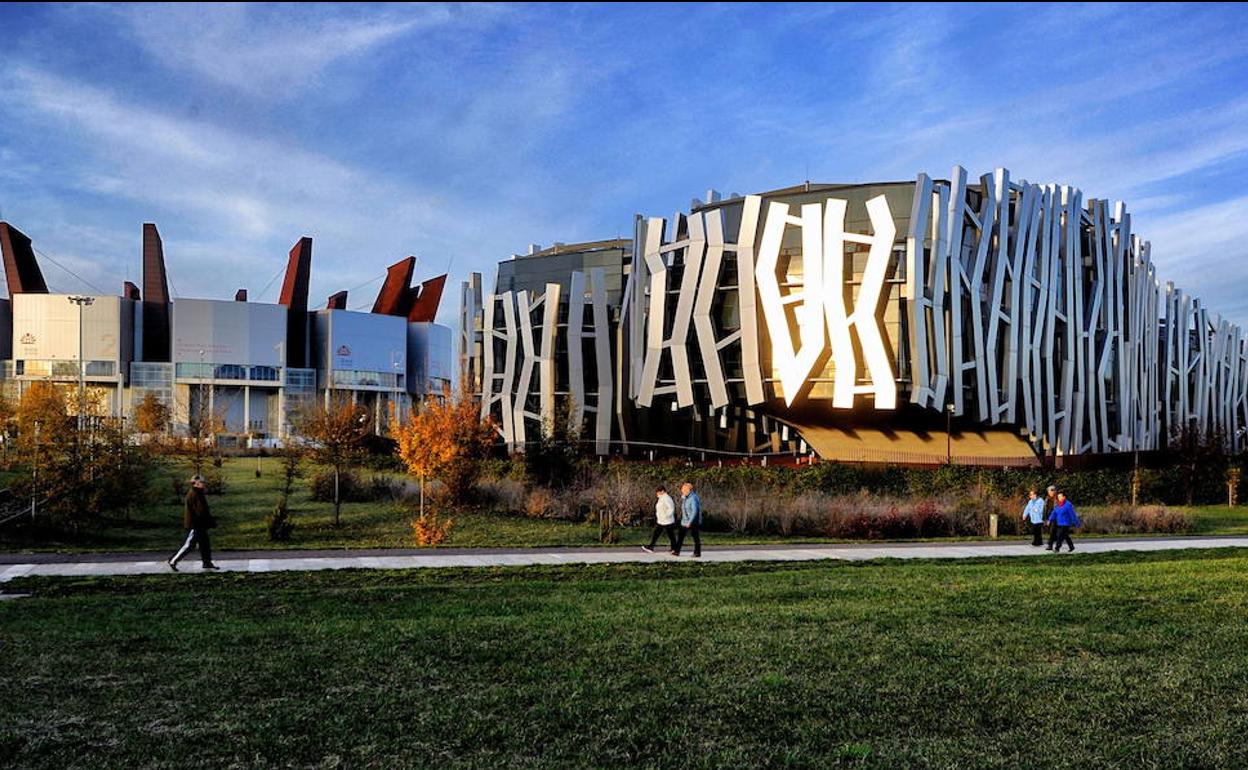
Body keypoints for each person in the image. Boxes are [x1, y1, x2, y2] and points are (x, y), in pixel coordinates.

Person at [168, 474, 218, 571]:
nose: (204, 484)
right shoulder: (195, 494)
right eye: (202, 482)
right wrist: (210, 521)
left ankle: (207, 563)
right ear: (196, 483)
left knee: (205, 544)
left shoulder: (198, 492)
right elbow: (201, 511)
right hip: (195, 524)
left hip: (200, 524)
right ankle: (173, 560)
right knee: (189, 545)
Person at [642, 485, 677, 554]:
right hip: (661, 520)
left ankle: (651, 547)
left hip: (667, 521)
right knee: (660, 534)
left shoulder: (667, 498)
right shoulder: (661, 498)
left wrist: (666, 516)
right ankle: (651, 547)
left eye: (658, 492)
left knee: (669, 535)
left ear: (662, 491)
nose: (657, 494)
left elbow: (671, 508)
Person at [673, 481, 702, 558]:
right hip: (684, 521)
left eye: (684, 489)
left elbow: (694, 511)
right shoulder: (685, 498)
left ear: (689, 490)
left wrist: (690, 522)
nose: (682, 491)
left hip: (693, 521)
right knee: (680, 536)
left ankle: (697, 552)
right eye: (682, 489)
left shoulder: (693, 498)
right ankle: (676, 551)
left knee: (695, 536)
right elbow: (683, 509)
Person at [1043, 485, 1060, 550]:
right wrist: (1045, 519)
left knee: (1052, 530)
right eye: (1050, 491)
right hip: (1049, 516)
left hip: (1055, 516)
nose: (1052, 492)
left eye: (1053, 490)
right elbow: (1045, 510)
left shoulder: (1058, 498)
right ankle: (1055, 539)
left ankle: (1050, 545)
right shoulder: (1047, 499)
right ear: (1048, 492)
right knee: (1052, 531)